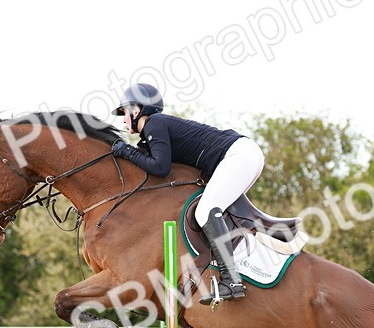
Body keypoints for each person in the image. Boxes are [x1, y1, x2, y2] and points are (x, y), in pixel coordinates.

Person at [110, 83, 264, 304]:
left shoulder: (155, 123)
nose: (123, 119)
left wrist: (126, 150)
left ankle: (231, 280)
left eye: (124, 112)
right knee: (214, 211)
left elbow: (160, 167)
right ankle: (241, 267)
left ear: (137, 110)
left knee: (206, 212)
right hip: (243, 155)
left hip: (239, 156)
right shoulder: (154, 130)